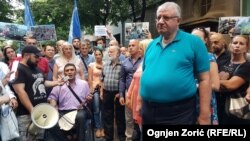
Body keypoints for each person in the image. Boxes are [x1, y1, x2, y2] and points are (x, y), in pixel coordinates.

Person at [140, 2, 211, 125]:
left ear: (178, 20)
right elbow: (144, 75)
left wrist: (205, 115)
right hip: (149, 110)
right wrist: (139, 101)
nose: (160, 21)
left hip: (178, 113)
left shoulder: (194, 43)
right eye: (158, 17)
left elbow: (205, 79)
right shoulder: (152, 44)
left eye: (166, 17)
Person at [12, 46, 63, 141]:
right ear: (27, 55)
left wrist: (56, 83)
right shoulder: (19, 69)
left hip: (40, 112)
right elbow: (20, 91)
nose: (39, 59)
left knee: (39, 138)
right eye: (36, 57)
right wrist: (32, 111)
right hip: (26, 114)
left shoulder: (36, 68)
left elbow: (43, 83)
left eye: (39, 57)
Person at [48, 63, 92, 141]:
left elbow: (88, 99)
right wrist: (53, 106)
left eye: (72, 70)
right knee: (51, 122)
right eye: (67, 70)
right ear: (64, 73)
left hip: (79, 110)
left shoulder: (83, 84)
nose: (69, 72)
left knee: (80, 117)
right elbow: (52, 98)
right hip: (63, 112)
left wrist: (89, 98)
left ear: (75, 72)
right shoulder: (59, 84)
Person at [218, 35, 250, 124]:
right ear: (230, 45)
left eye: (241, 44)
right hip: (219, 105)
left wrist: (209, 81)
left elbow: (230, 85)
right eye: (235, 43)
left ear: (246, 48)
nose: (237, 45)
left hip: (235, 109)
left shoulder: (246, 66)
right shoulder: (223, 62)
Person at [191, 27, 220, 125]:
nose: (194, 41)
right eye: (192, 38)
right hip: (187, 103)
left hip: (204, 101)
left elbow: (216, 85)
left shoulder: (209, 57)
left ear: (205, 40)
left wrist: (195, 86)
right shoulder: (186, 56)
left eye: (198, 38)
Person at [101, 45, 126, 141]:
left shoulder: (123, 65)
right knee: (107, 115)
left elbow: (123, 80)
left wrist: (121, 92)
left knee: (120, 115)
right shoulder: (106, 64)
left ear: (118, 53)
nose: (109, 53)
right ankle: (108, 137)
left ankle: (121, 136)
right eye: (109, 52)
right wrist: (101, 92)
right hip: (107, 92)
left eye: (112, 51)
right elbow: (102, 79)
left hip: (118, 93)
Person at [88, 48, 104, 138]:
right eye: (96, 54)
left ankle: (103, 127)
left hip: (104, 88)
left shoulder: (105, 64)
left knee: (104, 109)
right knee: (97, 108)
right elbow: (90, 78)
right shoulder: (91, 65)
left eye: (99, 54)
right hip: (95, 89)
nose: (98, 56)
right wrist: (91, 88)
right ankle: (98, 128)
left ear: (102, 55)